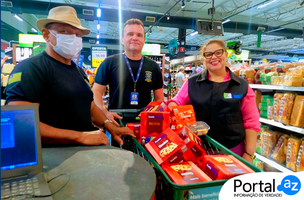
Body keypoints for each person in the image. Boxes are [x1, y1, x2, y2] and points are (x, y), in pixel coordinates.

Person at [5, 6, 135, 146]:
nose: (73, 38)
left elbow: (90, 108)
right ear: (46, 34)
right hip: (53, 160)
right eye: (64, 31)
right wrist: (80, 137)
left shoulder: (78, 72)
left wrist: (110, 126)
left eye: (78, 34)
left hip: (82, 157)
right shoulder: (30, 69)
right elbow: (20, 123)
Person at [167, 39, 260, 163]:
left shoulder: (241, 86)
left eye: (218, 53)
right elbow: (177, 101)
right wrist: (174, 109)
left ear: (226, 55)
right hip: (198, 149)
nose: (213, 57)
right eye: (208, 54)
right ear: (203, 58)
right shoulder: (192, 83)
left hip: (232, 151)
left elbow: (251, 121)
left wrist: (249, 154)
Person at [92, 18, 164, 126]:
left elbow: (159, 97)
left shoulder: (153, 66)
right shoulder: (109, 63)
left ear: (144, 40)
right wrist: (103, 112)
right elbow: (96, 91)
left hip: (144, 121)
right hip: (116, 121)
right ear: (122, 39)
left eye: (139, 35)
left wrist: (154, 115)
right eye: (130, 34)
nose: (135, 38)